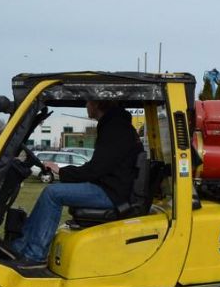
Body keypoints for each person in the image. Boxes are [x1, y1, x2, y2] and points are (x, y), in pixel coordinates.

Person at [8, 100, 142, 265]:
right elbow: (99, 167)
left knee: (52, 194)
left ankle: (34, 254)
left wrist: (61, 170)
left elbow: (95, 170)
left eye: (88, 102)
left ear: (97, 104)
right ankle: (20, 246)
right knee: (53, 192)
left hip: (112, 193)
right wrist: (63, 171)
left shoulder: (115, 128)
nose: (87, 105)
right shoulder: (115, 125)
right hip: (111, 187)